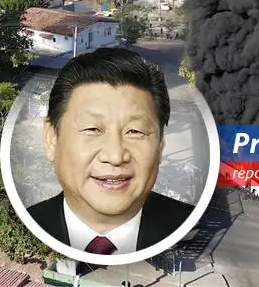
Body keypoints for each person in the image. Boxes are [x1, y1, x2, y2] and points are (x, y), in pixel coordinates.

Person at [27, 47, 195, 261]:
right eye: (92, 129)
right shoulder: (32, 222)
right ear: (52, 139)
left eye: (135, 131)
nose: (115, 156)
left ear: (161, 146)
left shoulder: (186, 224)